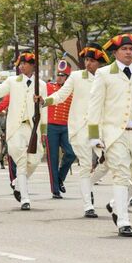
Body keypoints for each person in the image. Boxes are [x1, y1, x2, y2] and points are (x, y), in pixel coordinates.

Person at [88, 34, 132, 237]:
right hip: (114, 133)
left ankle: (115, 204)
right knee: (120, 174)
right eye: (124, 49)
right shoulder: (103, 74)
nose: (129, 52)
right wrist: (94, 135)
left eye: (131, 49)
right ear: (115, 53)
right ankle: (123, 220)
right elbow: (95, 105)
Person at [42, 43, 109, 217]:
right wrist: (44, 101)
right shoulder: (76, 77)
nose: (88, 63)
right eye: (86, 59)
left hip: (101, 129)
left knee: (108, 162)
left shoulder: (107, 77)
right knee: (85, 166)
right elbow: (61, 95)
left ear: (99, 62)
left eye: (92, 61)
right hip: (79, 128)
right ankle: (88, 205)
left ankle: (89, 184)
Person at [0, 51, 47, 210]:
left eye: (25, 63)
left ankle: (18, 183)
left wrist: (43, 131)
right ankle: (25, 198)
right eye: (20, 64)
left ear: (32, 65)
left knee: (35, 160)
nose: (22, 66)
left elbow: (44, 109)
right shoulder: (12, 81)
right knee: (22, 162)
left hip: (33, 127)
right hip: (16, 127)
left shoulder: (41, 84)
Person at [44, 59, 76, 199]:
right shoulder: (49, 87)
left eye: (62, 75)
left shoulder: (73, 89)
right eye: (58, 74)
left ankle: (60, 178)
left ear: (68, 77)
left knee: (71, 153)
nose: (59, 77)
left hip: (66, 126)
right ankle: (55, 189)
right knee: (53, 158)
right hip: (51, 126)